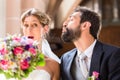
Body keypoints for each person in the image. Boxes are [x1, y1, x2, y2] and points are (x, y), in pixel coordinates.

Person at [60, 6, 120, 80]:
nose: (64, 24)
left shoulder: (113, 55)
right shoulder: (65, 59)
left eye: (71, 20)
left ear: (85, 25)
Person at [20, 8, 60, 80]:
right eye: (26, 25)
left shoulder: (53, 65)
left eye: (34, 25)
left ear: (45, 29)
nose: (29, 29)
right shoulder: (11, 59)